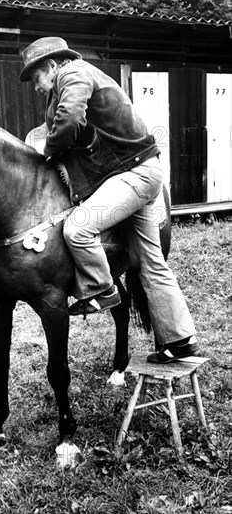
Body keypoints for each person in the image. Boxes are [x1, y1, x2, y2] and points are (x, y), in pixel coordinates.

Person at [20, 36, 200, 364]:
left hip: (132, 176)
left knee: (78, 228)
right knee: (150, 262)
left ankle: (103, 289)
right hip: (140, 172)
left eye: (35, 77)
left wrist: (48, 149)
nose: (35, 86)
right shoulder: (80, 76)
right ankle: (181, 340)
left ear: (50, 66)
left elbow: (71, 119)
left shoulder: (71, 74)